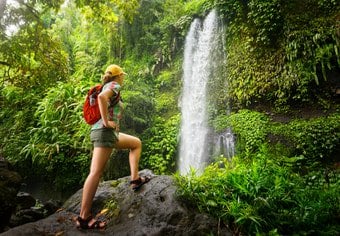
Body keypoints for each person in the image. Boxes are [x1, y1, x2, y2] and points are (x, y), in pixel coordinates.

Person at [76, 64, 150, 229]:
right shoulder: (114, 86)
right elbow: (102, 98)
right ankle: (84, 217)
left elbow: (103, 100)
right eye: (122, 75)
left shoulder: (106, 86)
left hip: (106, 133)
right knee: (95, 173)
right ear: (118, 76)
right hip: (104, 132)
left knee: (136, 143)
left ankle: (135, 179)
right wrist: (107, 121)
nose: (123, 78)